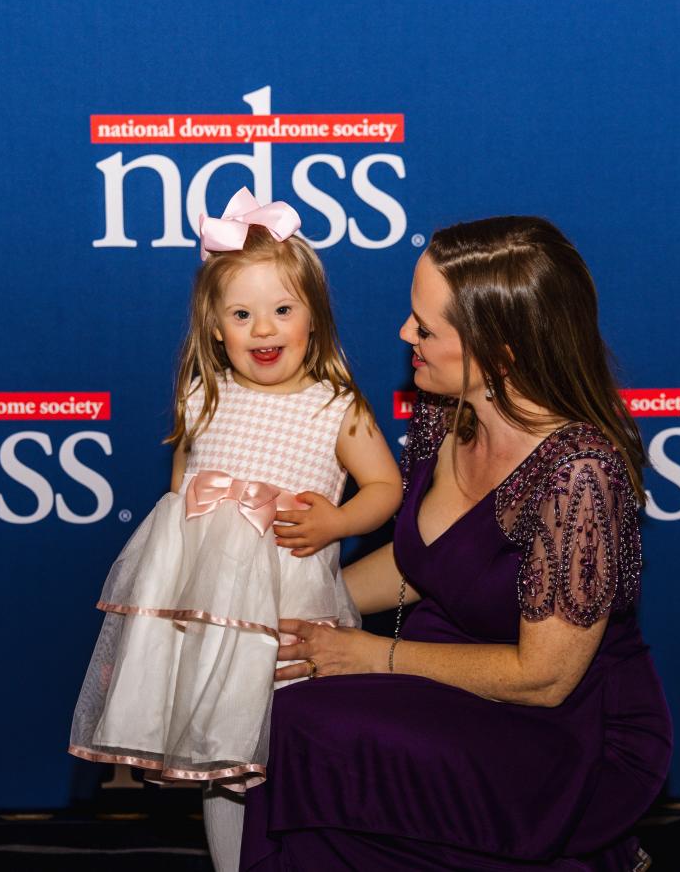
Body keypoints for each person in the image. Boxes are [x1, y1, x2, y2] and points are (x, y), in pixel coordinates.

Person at [242, 216, 673, 871]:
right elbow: (424, 563)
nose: (403, 335)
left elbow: (545, 679)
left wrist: (370, 655)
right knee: (266, 692)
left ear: (498, 353)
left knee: (300, 723)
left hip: (558, 736)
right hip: (438, 672)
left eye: (425, 327)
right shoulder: (444, 413)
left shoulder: (579, 475)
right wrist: (281, 610)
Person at [67, 188, 403, 872]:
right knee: (219, 752)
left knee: (293, 743)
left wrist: (338, 520)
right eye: (242, 314)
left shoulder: (333, 405)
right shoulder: (202, 393)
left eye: (283, 309)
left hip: (287, 609)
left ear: (315, 316)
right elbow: (180, 494)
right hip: (210, 615)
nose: (264, 328)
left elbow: (387, 487)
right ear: (215, 326)